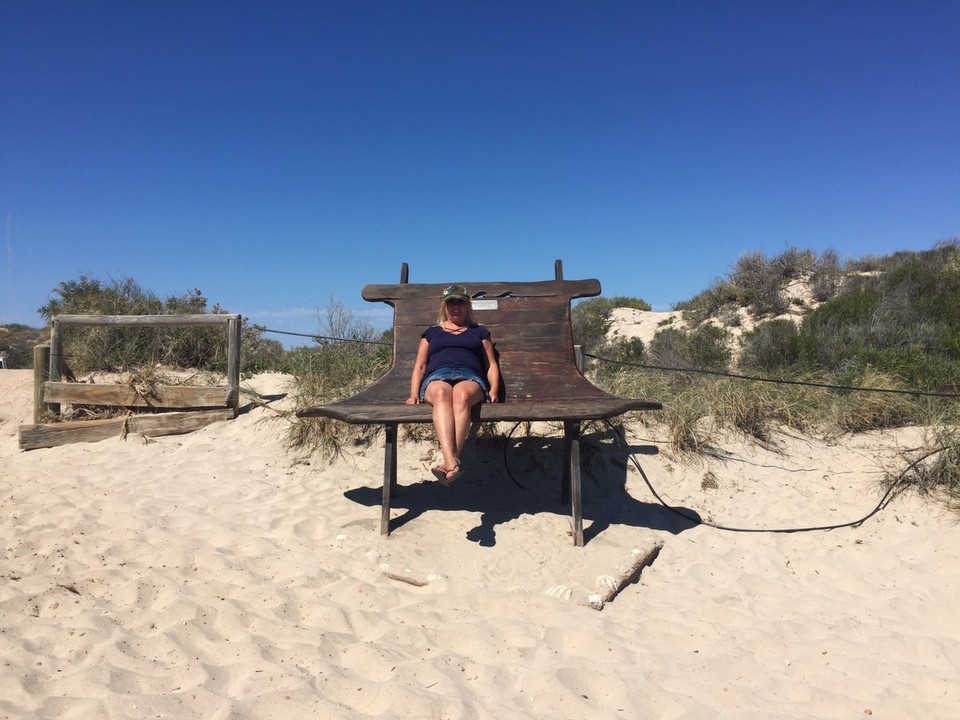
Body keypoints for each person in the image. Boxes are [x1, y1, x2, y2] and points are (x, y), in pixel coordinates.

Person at [406, 284, 500, 485]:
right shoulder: (431, 333)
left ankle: (449, 463)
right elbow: (420, 366)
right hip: (437, 376)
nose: (456, 307)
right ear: (444, 306)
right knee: (441, 393)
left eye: (460, 302)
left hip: (470, 376)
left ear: (467, 306)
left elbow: (490, 363)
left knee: (461, 395)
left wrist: (493, 389)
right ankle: (452, 462)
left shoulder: (479, 332)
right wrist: (414, 394)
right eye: (451, 302)